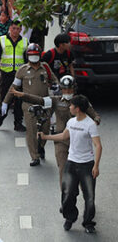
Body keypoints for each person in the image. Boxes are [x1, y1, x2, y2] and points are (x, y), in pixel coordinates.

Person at [18, 75, 100, 183]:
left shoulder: (81, 101)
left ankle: (77, 191)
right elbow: (40, 100)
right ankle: (65, 195)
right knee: (63, 169)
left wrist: (95, 121)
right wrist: (23, 95)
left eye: (70, 89)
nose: (67, 91)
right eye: (65, 89)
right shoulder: (55, 101)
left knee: (80, 171)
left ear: (74, 89)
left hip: (77, 140)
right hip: (60, 139)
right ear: (61, 89)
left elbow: (95, 115)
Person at [40, 95, 101, 234]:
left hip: (87, 165)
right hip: (71, 163)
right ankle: (70, 217)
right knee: (67, 193)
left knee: (89, 197)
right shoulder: (71, 122)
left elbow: (98, 146)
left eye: (71, 105)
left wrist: (96, 166)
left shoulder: (90, 124)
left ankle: (88, 223)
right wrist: (46, 137)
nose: (69, 107)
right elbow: (63, 136)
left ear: (77, 108)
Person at [2, 42, 57, 166]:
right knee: (31, 131)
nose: (34, 57)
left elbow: (55, 81)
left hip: (45, 103)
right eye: (31, 55)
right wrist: (5, 102)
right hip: (29, 105)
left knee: (46, 129)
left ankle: (40, 146)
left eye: (36, 55)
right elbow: (14, 87)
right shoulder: (22, 70)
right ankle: (35, 156)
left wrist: (56, 86)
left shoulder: (45, 68)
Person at [0, 20, 28, 132]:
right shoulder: (2, 40)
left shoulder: (24, 41)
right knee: (4, 96)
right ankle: (2, 114)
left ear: (21, 30)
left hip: (20, 74)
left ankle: (18, 123)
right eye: (13, 28)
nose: (15, 31)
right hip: (6, 73)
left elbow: (27, 60)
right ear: (9, 28)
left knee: (19, 99)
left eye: (18, 29)